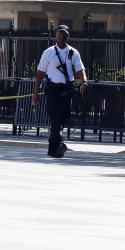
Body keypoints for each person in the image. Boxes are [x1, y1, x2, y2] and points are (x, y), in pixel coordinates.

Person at [33, 25, 87, 158]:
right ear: (56, 35)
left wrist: (84, 81)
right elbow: (40, 73)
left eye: (64, 34)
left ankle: (54, 148)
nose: (62, 36)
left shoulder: (73, 52)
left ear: (68, 36)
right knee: (55, 115)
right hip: (52, 89)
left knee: (63, 116)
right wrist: (35, 93)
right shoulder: (48, 52)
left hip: (66, 89)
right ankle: (59, 142)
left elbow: (80, 69)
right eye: (59, 33)